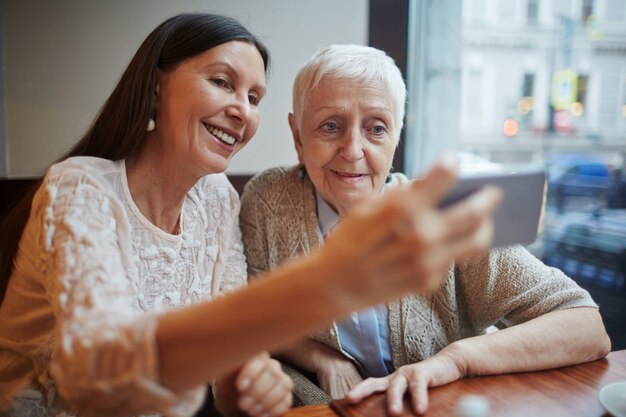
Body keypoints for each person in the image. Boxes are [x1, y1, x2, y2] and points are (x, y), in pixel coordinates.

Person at [0, 15, 502, 417]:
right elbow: (100, 380)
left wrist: (240, 392)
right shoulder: (81, 187)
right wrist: (327, 282)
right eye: (223, 82)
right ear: (155, 89)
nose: (242, 109)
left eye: (254, 97)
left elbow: (223, 372)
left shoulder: (217, 198)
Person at [239, 44, 612, 415]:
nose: (352, 149)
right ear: (298, 136)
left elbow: (585, 325)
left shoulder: (443, 213)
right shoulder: (269, 200)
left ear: (396, 137)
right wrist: (322, 358)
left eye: (376, 128)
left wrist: (455, 360)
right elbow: (251, 314)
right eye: (330, 126)